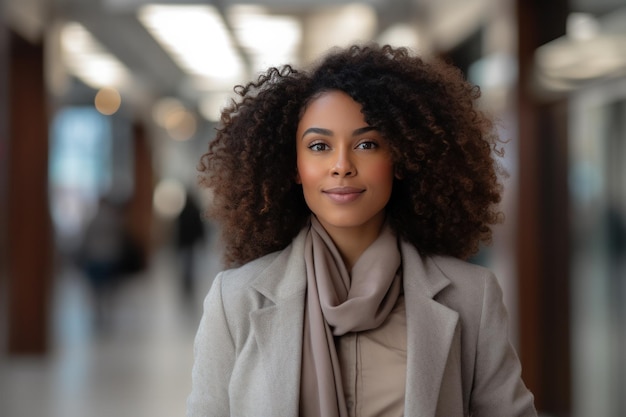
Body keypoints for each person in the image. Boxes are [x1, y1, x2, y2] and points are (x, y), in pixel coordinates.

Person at [187, 43, 537, 417]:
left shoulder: (471, 296)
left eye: (367, 144)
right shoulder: (235, 300)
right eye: (319, 146)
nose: (341, 166)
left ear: (400, 158)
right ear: (293, 167)